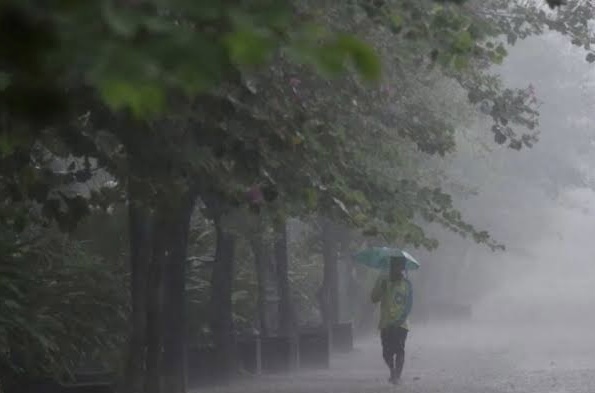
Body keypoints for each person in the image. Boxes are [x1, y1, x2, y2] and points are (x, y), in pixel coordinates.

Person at [371, 256, 412, 384]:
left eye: (401, 267)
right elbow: (373, 298)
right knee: (386, 352)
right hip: (386, 323)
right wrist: (381, 288)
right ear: (391, 268)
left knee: (399, 350)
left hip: (401, 324)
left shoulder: (407, 284)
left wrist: (400, 319)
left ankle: (397, 376)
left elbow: (409, 304)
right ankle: (392, 371)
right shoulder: (384, 281)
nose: (399, 270)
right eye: (396, 267)